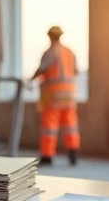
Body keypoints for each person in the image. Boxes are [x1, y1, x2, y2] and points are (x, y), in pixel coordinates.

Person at [32, 26, 80, 166]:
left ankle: (47, 156)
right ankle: (73, 153)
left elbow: (42, 69)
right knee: (70, 124)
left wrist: (31, 79)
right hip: (70, 94)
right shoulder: (70, 52)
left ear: (50, 37)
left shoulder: (50, 52)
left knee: (49, 126)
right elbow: (75, 71)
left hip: (54, 95)